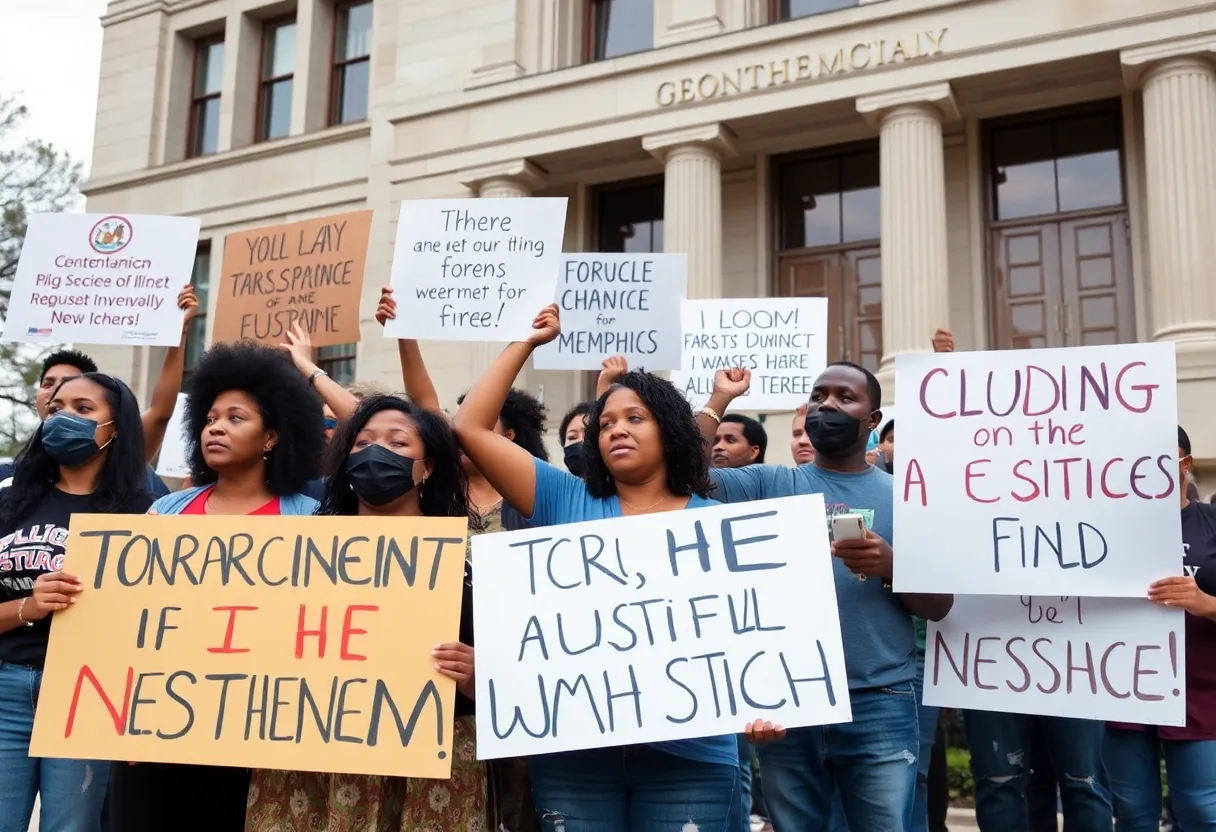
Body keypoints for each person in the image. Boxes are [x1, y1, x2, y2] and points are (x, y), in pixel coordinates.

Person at [452, 304, 784, 830]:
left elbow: (756, 640)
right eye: (604, 423)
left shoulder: (718, 527)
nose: (615, 431)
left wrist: (768, 704)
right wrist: (526, 343)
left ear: (671, 430)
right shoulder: (565, 497)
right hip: (574, 755)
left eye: (634, 418)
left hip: (691, 760)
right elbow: (469, 426)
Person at [698, 364, 953, 831]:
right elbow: (684, 473)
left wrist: (891, 566)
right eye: (819, 396)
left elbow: (939, 607)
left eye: (844, 398)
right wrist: (719, 400)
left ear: (872, 420)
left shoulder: (909, 498)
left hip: (880, 698)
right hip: (788, 701)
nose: (828, 405)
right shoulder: (767, 484)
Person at [106, 341, 324, 832]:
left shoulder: (310, 521)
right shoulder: (164, 513)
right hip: (155, 728)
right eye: (208, 419)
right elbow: (130, 619)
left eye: (235, 418)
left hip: (256, 736)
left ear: (271, 437)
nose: (216, 428)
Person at [245, 394, 486, 831]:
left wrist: (478, 675)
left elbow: (518, 672)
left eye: (397, 444)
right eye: (361, 443)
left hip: (431, 759)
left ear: (427, 467)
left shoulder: (468, 559)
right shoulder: (295, 552)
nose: (375, 453)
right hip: (312, 755)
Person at [0, 372, 156, 832]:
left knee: (72, 826)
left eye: (83, 409)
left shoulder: (145, 513)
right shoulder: (10, 503)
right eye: (57, 408)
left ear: (116, 429)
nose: (63, 418)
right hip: (6, 687)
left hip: (90, 694)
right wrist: (31, 604)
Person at [1104, 425, 1216, 831]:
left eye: (1166, 461)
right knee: (1132, 813)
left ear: (1185, 464)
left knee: (1203, 811)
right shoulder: (1107, 527)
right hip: (1125, 689)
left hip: (1200, 693)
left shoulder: (1211, 522)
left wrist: (1206, 604)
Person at [1, 286, 197, 494]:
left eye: (82, 406)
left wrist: (179, 332)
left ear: (115, 427)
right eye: (49, 384)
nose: (58, 391)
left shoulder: (124, 470)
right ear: (37, 399)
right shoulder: (8, 483)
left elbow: (160, 412)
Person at [560, 357, 628, 476]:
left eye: (588, 433)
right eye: (572, 437)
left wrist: (605, 383)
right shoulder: (554, 488)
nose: (581, 441)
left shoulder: (625, 488)